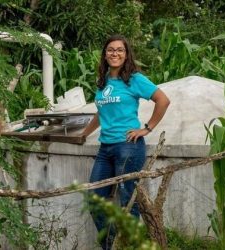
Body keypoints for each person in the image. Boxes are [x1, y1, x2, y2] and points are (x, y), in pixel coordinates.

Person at [81, 34, 170, 250]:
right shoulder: (102, 82)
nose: (115, 53)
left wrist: (146, 128)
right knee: (94, 199)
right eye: (111, 49)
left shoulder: (134, 79)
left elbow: (163, 100)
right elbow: (101, 113)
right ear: (104, 54)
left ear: (126, 54)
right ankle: (111, 245)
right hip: (105, 148)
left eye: (120, 50)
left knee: (129, 202)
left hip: (128, 146)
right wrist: (83, 134)